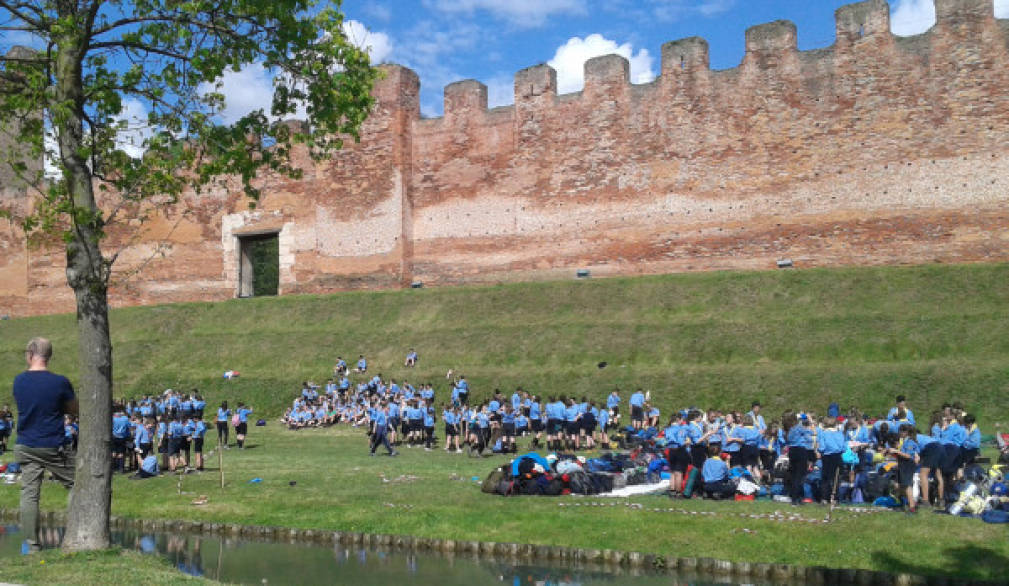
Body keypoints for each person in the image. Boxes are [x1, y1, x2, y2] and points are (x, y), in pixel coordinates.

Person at [13, 337, 77, 553]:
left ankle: (32, 546)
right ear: (49, 356)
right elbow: (73, 409)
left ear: (30, 354)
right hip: (52, 444)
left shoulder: (19, 381)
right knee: (77, 484)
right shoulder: (60, 382)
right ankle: (75, 534)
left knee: (29, 493)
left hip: (25, 444)